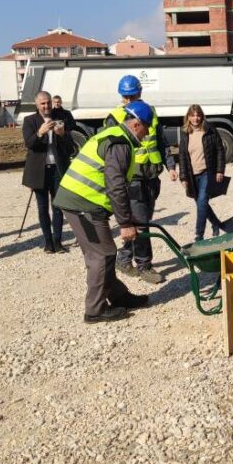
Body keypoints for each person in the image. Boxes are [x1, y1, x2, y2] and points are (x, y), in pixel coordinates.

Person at [53, 102, 153, 323]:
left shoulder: (115, 134)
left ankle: (118, 297)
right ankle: (94, 310)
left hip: (83, 202)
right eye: (147, 128)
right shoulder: (120, 143)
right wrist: (126, 223)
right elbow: (115, 185)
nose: (147, 134)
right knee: (102, 254)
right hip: (82, 204)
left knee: (103, 252)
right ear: (136, 124)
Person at [105, 75, 177, 284]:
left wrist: (170, 165)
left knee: (140, 222)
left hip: (152, 176)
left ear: (139, 93)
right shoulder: (116, 116)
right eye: (127, 96)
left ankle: (124, 258)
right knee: (142, 223)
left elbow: (160, 140)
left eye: (133, 95)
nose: (130, 99)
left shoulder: (149, 111)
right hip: (132, 177)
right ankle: (144, 265)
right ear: (122, 96)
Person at [22, 91, 74, 253]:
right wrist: (40, 132)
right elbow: (29, 144)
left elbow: (70, 148)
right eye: (43, 103)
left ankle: (58, 242)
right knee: (42, 207)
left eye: (48, 103)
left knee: (58, 206)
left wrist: (63, 134)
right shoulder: (30, 120)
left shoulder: (62, 118)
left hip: (58, 169)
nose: (46, 106)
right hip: (39, 170)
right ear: (37, 105)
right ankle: (48, 242)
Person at [177, 104, 227, 241]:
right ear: (188, 117)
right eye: (193, 115)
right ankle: (216, 223)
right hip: (192, 175)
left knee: (202, 201)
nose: (196, 118)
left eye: (198, 115)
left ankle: (199, 235)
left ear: (202, 116)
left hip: (207, 172)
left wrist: (219, 170)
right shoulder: (184, 133)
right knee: (201, 204)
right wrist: (183, 177)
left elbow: (220, 150)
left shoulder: (210, 130)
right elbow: (182, 155)